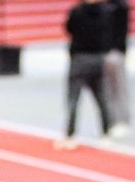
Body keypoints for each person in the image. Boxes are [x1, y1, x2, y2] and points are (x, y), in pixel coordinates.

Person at [56, 0, 116, 148]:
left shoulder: (77, 12)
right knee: (102, 97)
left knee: (73, 99)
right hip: (98, 57)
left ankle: (70, 135)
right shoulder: (105, 12)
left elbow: (69, 28)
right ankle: (106, 133)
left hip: (80, 58)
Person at [104, 0, 131, 135]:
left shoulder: (119, 7)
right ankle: (111, 121)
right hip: (102, 51)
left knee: (118, 88)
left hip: (115, 51)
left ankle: (123, 121)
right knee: (107, 90)